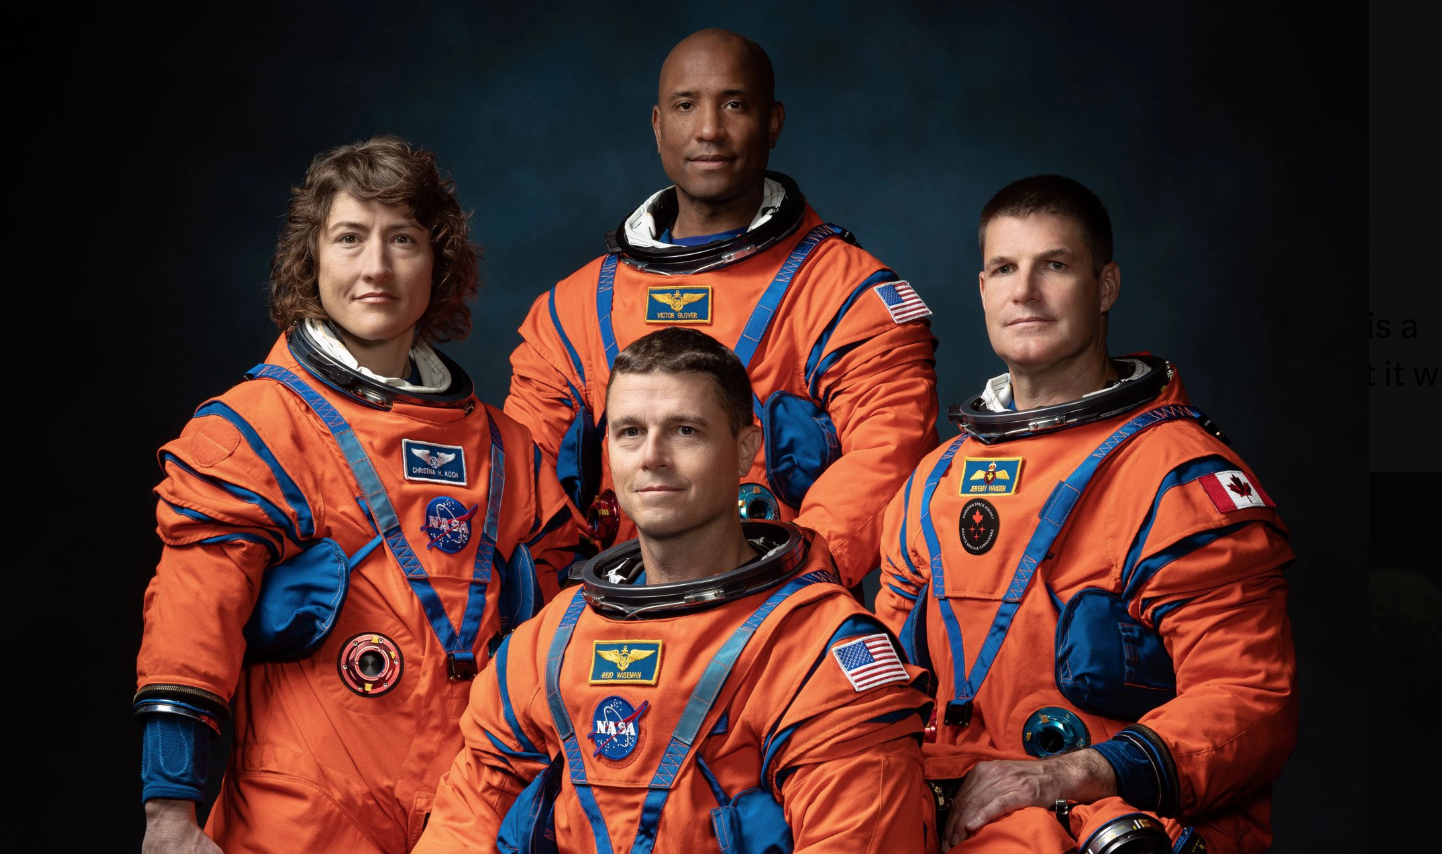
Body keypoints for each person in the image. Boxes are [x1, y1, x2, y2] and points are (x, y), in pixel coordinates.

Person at [135, 135, 588, 853]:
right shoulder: (256, 431)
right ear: (311, 260)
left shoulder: (507, 453)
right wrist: (170, 812)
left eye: (402, 239)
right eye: (350, 238)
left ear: (438, 262)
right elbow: (193, 620)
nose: (376, 267)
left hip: (471, 818)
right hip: (302, 817)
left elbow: (568, 647)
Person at [875, 175, 1297, 854]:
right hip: (961, 818)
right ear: (983, 288)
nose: (1026, 291)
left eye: (1056, 266)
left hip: (1110, 821)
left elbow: (1249, 701)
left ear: (1105, 287)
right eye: (1005, 268)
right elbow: (885, 694)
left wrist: (1066, 775)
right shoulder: (934, 482)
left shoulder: (1178, 477)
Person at [415, 327, 937, 854]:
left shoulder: (821, 651)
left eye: (685, 430)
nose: (652, 457)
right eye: (629, 432)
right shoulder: (549, 643)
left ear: (745, 450)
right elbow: (465, 822)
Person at [504, 28, 939, 589]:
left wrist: (783, 589)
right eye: (687, 106)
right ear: (659, 127)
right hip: (608, 621)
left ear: (773, 123)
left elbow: (888, 455)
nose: (709, 130)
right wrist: (563, 609)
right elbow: (523, 479)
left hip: (775, 620)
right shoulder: (573, 309)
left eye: (734, 104)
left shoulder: (846, 293)